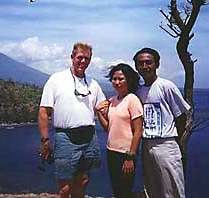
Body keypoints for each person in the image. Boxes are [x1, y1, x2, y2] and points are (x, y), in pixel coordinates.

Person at [38, 42, 106, 198]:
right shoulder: (56, 80)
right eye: (80, 58)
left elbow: (102, 106)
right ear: (72, 57)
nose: (83, 62)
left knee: (83, 180)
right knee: (65, 187)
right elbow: (43, 112)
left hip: (89, 137)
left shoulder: (93, 84)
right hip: (66, 137)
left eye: (87, 58)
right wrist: (45, 141)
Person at [133, 47, 191, 198]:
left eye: (148, 62)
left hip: (166, 145)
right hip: (147, 145)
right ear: (136, 67)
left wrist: (175, 139)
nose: (145, 67)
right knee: (152, 189)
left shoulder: (166, 86)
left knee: (172, 189)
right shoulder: (139, 91)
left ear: (157, 64)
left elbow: (181, 116)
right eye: (141, 63)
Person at [96, 63, 143, 198]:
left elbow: (138, 131)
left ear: (129, 80)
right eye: (114, 79)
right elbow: (108, 128)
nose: (116, 82)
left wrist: (130, 157)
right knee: (117, 190)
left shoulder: (132, 99)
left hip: (126, 153)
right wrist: (99, 112)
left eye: (120, 79)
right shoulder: (112, 101)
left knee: (125, 190)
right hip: (111, 152)